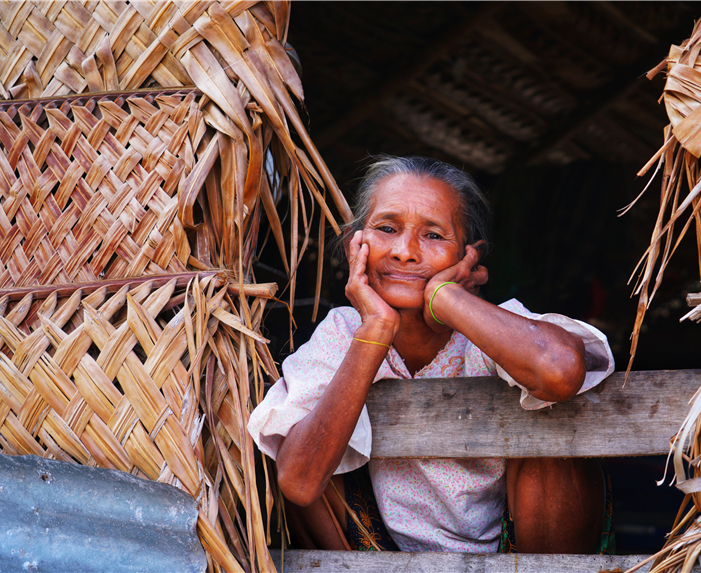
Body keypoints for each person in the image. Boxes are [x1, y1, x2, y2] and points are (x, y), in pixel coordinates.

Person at [248, 156, 615, 553]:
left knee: (555, 442)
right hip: (380, 552)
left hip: (510, 552)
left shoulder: (497, 328)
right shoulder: (344, 331)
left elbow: (560, 371)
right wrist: (375, 332)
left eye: (434, 236)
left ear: (469, 256)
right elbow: (300, 485)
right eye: (387, 228)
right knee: (298, 436)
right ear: (357, 245)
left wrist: (447, 298)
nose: (405, 251)